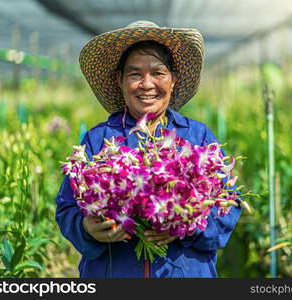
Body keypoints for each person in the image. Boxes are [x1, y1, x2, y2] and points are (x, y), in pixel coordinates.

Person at [55, 21, 242, 278]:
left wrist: (184, 224)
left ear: (173, 79)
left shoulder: (197, 137)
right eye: (135, 74)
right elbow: (67, 208)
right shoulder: (98, 140)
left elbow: (227, 205)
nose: (146, 84)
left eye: (158, 73)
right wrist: (86, 227)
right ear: (119, 80)